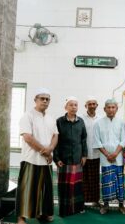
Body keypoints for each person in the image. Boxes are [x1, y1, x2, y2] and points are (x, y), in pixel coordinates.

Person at [16, 88, 58, 224]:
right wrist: (45, 151)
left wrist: (51, 148)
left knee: (45, 190)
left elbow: (55, 135)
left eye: (47, 99)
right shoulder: (27, 116)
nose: (45, 101)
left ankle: (43, 213)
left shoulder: (51, 118)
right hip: (31, 159)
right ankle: (21, 216)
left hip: (46, 160)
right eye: (42, 98)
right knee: (26, 189)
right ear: (35, 100)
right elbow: (27, 137)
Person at [93, 99, 125, 214]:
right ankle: (106, 205)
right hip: (105, 158)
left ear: (116, 109)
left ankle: (121, 205)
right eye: (109, 107)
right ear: (104, 109)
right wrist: (108, 154)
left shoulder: (121, 123)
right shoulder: (98, 123)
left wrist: (115, 153)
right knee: (106, 181)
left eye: (113, 107)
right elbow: (97, 142)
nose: (111, 109)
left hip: (118, 158)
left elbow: (123, 140)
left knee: (119, 181)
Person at [54, 96, 87, 216]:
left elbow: (83, 139)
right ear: (66, 107)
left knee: (77, 185)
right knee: (65, 186)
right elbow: (55, 141)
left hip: (77, 158)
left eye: (75, 105)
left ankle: (78, 208)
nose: (74, 107)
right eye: (71, 105)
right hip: (64, 159)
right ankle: (65, 210)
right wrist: (56, 158)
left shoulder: (81, 121)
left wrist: (84, 155)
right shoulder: (59, 121)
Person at [81, 96, 101, 207]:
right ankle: (82, 200)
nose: (92, 106)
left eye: (94, 104)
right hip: (84, 154)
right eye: (90, 104)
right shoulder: (80, 118)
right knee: (83, 178)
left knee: (95, 178)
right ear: (86, 106)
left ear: (97, 106)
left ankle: (95, 200)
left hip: (96, 153)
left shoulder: (100, 118)